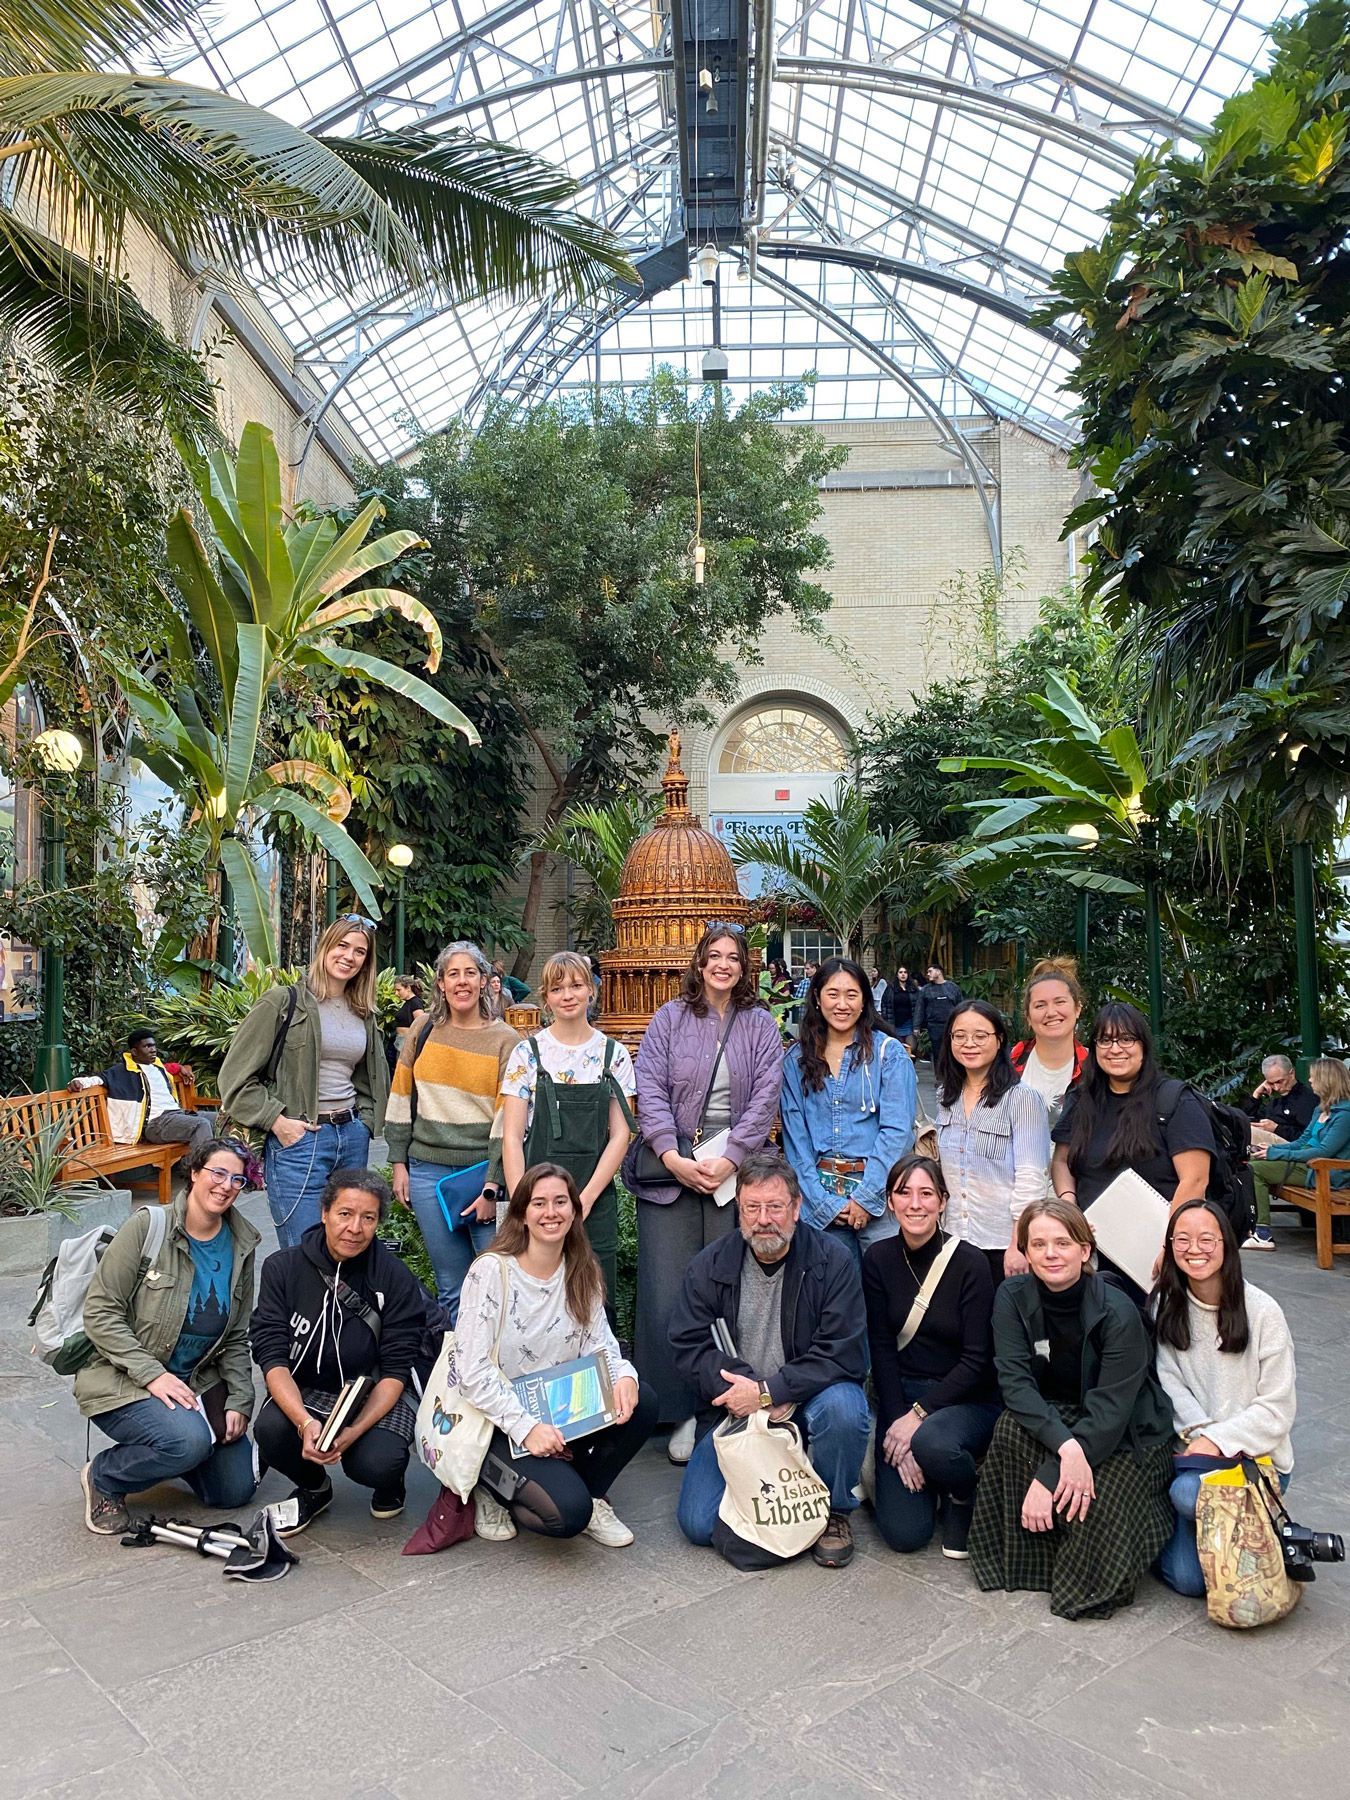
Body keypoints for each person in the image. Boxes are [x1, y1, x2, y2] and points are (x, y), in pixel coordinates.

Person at [969, 1199, 1176, 1620]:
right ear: (1025, 1251)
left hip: (1125, 1429)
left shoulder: (1117, 1311)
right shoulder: (1011, 1296)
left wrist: (1049, 1476)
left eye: (1063, 1242)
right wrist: (1066, 1450)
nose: (1050, 1253)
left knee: (1097, 1494)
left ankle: (1093, 1569)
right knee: (1009, 1429)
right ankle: (1034, 1567)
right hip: (1058, 1413)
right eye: (1038, 1243)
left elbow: (1112, 1410)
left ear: (1085, 1250)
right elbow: (1015, 1383)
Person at [627, 921, 784, 1463]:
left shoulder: (759, 1025)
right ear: (699, 963)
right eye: (713, 956)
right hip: (672, 1172)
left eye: (733, 958)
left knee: (726, 1292)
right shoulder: (670, 1018)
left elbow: (767, 1094)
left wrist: (732, 1159)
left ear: (744, 968)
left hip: (732, 1176)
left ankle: (720, 1406)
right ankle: (673, 1409)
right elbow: (648, 1086)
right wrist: (671, 1155)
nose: (723, 965)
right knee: (669, 1292)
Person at [669, 1150, 870, 1568]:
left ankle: (833, 1510)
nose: (764, 1219)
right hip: (737, 1409)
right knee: (697, 1523)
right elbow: (688, 1346)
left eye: (775, 1207)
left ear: (797, 1208)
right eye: (752, 1208)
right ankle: (781, 1519)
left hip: (807, 1399)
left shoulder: (832, 1261)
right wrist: (744, 1392)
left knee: (846, 1408)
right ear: (739, 1210)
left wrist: (770, 1390)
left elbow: (843, 1351)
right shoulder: (709, 1266)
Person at [454, 1163, 657, 1547]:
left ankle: (591, 1492)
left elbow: (601, 1346)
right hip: (500, 1421)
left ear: (575, 1210)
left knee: (642, 1401)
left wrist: (625, 1376)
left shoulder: (582, 1270)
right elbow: (472, 1372)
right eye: (539, 1203)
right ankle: (491, 1488)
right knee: (566, 1516)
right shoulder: (491, 1273)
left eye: (561, 1202)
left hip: (562, 1410)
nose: (551, 1212)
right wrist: (526, 1428)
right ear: (522, 1215)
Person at [77, 1139, 259, 1535]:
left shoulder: (242, 1244)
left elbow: (236, 1337)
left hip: (195, 1383)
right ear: (194, 1173)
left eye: (237, 1179)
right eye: (217, 1173)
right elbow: (100, 1312)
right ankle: (106, 1476)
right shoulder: (148, 1227)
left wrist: (240, 1401)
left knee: (234, 1489)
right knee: (187, 1442)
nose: (226, 1185)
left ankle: (177, 1449)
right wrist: (152, 1375)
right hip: (126, 1378)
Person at [251, 1168, 427, 1532]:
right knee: (270, 1430)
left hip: (373, 1391)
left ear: (378, 1223)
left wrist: (354, 1430)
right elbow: (271, 1355)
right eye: (345, 1214)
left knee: (377, 1462)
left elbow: (395, 1371)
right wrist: (303, 1421)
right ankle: (314, 1486)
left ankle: (390, 1482)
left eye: (368, 1218)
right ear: (324, 1213)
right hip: (310, 1387)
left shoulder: (394, 1278)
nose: (355, 1228)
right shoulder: (282, 1269)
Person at [1151, 1199, 1297, 1597]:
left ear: (1226, 1244)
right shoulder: (1165, 1304)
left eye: (1205, 1239)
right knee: (1188, 1581)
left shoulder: (1263, 1311)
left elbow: (1276, 1408)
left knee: (1186, 1495)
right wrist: (1203, 1437)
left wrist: (1220, 1439)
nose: (1193, 1249)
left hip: (1256, 1457)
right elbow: (1169, 1383)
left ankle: (1255, 1524)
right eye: (1181, 1239)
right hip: (1193, 1453)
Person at [219, 916, 388, 1249]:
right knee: (303, 1250)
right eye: (342, 945)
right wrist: (278, 1122)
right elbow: (234, 1078)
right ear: (325, 947)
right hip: (300, 1142)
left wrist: (365, 1124)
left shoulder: (363, 1013)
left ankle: (336, 1305)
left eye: (359, 951)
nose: (349, 957)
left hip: (351, 1138)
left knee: (347, 1248)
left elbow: (367, 1078)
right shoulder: (282, 1002)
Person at [862, 1154, 999, 1559]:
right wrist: (896, 1430)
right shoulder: (878, 1260)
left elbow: (977, 1360)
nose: (915, 1204)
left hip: (963, 1399)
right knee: (906, 1534)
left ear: (943, 1201)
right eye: (904, 1193)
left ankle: (963, 1493)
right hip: (903, 1395)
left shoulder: (971, 1263)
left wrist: (915, 1423)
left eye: (926, 1193)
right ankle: (920, 1472)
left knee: (933, 1444)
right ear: (890, 1201)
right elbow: (882, 1350)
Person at [385, 941, 519, 1326]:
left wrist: (493, 1185)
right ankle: (458, 1376)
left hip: (481, 1175)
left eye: (470, 973)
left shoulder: (505, 1040)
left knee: (496, 1283)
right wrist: (398, 1162)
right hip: (427, 1170)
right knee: (451, 1285)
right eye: (453, 974)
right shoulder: (422, 1029)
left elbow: (506, 1119)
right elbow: (401, 1093)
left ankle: (498, 1374)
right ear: (441, 983)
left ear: (485, 982)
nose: (462, 982)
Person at [501, 950, 637, 1313]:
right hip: (536, 1201)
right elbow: (512, 1136)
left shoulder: (614, 1056)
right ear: (545, 997)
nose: (568, 995)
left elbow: (621, 1135)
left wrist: (586, 1199)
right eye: (557, 988)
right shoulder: (527, 1054)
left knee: (594, 1301)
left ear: (591, 991)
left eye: (576, 986)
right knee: (535, 1301)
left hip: (596, 1200)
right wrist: (523, 1203)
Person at [1050, 1002, 1214, 1301]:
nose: (1116, 1049)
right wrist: (1069, 1205)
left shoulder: (1173, 1100)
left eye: (1126, 1039)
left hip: (1155, 1254)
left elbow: (1195, 1180)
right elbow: (1061, 1160)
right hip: (1093, 1252)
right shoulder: (1082, 1097)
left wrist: (1172, 1244)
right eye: (1105, 1040)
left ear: (1143, 1045)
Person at [780, 955, 917, 1260]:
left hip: (881, 1201)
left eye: (852, 994)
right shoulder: (796, 1060)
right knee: (831, 1302)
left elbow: (897, 1131)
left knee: (887, 1299)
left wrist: (866, 1198)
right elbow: (795, 1140)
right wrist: (824, 1203)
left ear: (864, 1000)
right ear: (817, 998)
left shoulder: (887, 1054)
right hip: (820, 1204)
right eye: (833, 994)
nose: (842, 1004)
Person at [935, 1000, 1051, 1285]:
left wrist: (1019, 1244)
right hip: (954, 1238)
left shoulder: (1021, 1098)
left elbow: (1031, 1178)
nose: (969, 1043)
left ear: (999, 1040)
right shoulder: (945, 1097)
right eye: (959, 1036)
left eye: (980, 1035)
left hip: (1001, 1244)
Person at [79, 1028, 213, 1187]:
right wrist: (80, 1083)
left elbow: (171, 1068)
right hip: (155, 1124)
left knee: (223, 1119)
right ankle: (199, 1176)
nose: (153, 1049)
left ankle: (223, 1169)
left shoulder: (158, 1067)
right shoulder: (122, 1072)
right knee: (201, 1125)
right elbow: (99, 1079)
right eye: (147, 1046)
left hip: (177, 1115)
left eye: (154, 1046)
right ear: (134, 1051)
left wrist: (180, 1068)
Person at [1247, 1056, 1350, 1250]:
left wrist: (1277, 1154)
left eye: (1314, 1077)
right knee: (1251, 1160)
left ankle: (1262, 1234)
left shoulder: (1345, 1114)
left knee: (1256, 1170)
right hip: (1309, 1165)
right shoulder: (1321, 1108)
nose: (1310, 1081)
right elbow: (1303, 1141)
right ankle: (1252, 1226)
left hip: (1326, 1173)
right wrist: (1272, 1149)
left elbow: (1324, 1151)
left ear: (1327, 1080)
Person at [1009, 958, 1088, 1128]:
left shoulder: (1097, 1067)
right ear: (1028, 1017)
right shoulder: (1006, 1064)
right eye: (1040, 1005)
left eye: (1060, 1002)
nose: (1051, 1012)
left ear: (1077, 1008)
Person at [1239, 1053, 1316, 1143]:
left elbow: (1310, 1137)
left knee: (1249, 1132)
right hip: (1269, 1144)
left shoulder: (1307, 1099)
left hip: (1292, 1145)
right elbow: (1245, 1119)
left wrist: (1277, 1129)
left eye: (1279, 1081)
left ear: (1291, 1073)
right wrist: (1256, 1096)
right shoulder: (1275, 1101)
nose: (1276, 1088)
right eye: (1271, 1083)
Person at [912, 963, 962, 1060]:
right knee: (937, 1053)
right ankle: (939, 1074)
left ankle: (952, 1074)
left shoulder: (953, 988)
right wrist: (916, 1026)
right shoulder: (925, 990)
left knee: (952, 1053)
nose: (928, 974)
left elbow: (960, 1006)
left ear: (938, 971)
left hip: (951, 1025)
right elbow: (919, 1009)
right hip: (934, 1026)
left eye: (930, 971)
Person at [387, 973, 423, 1073]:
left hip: (406, 1042)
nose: (396, 993)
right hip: (400, 1042)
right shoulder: (408, 1003)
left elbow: (420, 1025)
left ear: (408, 988)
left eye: (399, 990)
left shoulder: (415, 1002)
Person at [880, 964, 919, 1041]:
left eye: (905, 972)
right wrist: (886, 1021)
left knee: (912, 1047)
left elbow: (918, 1006)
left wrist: (917, 1025)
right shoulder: (890, 988)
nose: (903, 974)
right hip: (894, 1024)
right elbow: (884, 1004)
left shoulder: (913, 989)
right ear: (897, 975)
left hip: (909, 1024)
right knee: (898, 1047)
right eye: (900, 972)